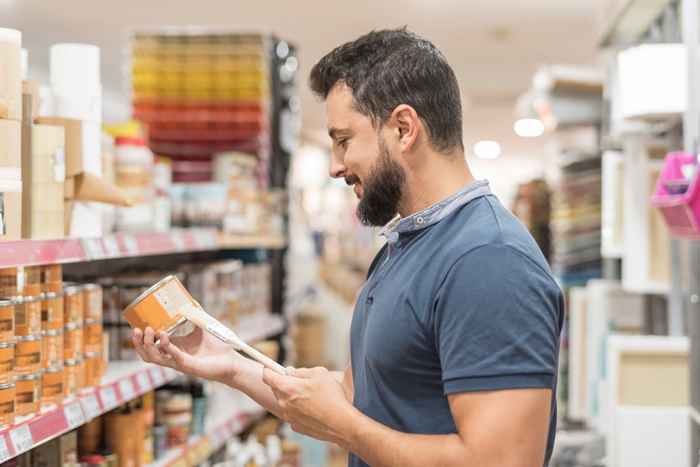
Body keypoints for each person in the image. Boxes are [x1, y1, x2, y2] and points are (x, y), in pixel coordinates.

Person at [132, 28, 564, 467]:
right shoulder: (405, 246)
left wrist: (342, 425)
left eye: (343, 141)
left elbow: (500, 463)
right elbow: (359, 401)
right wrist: (228, 365)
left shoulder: (489, 260)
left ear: (403, 128)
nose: (336, 166)